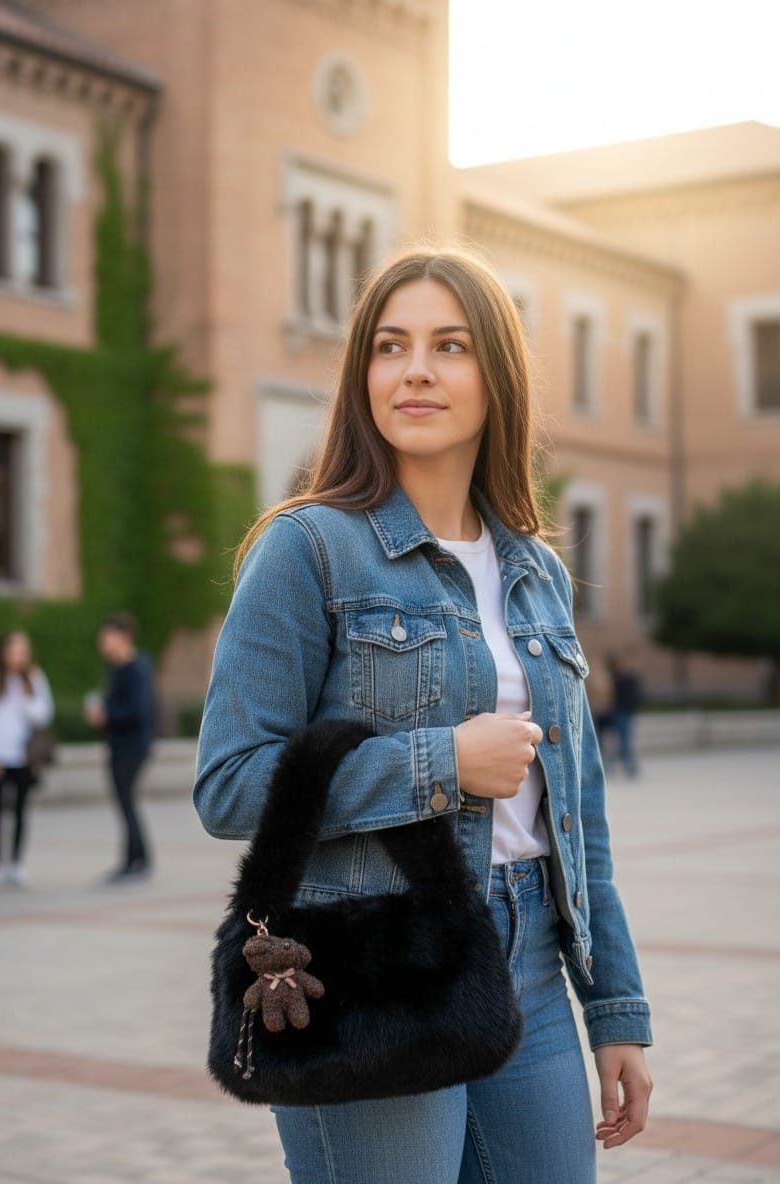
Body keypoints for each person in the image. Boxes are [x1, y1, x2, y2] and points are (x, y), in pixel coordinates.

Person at [194, 248, 653, 1184]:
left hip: (530, 966)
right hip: (373, 966)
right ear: (361, 373)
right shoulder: (310, 550)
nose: (414, 370)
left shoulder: (537, 571)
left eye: (449, 346)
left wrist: (617, 1013)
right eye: (390, 346)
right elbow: (230, 786)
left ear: (497, 375)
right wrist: (439, 760)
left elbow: (580, 822)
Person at [0, 631, 54, 888]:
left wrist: (26, 697)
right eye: (14, 650)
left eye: (22, 651)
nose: (18, 656)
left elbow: (44, 714)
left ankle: (16, 863)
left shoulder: (34, 678)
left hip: (24, 756)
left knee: (20, 809)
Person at [85, 613, 155, 884]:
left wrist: (106, 714)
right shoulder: (117, 668)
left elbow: (137, 710)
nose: (103, 642)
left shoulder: (136, 668)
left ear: (123, 636)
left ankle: (137, 861)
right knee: (126, 803)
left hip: (132, 746)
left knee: (127, 802)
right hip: (120, 744)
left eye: (107, 636)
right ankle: (134, 859)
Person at [609, 648, 644, 779]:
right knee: (620, 741)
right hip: (618, 712)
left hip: (626, 712)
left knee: (625, 740)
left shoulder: (630, 678)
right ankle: (624, 766)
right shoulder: (617, 678)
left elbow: (636, 696)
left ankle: (628, 766)